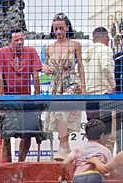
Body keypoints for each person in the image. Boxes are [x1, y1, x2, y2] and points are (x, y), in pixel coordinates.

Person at [0, 29, 43, 163]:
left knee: (29, 132)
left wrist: (37, 100)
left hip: (26, 99)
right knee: (5, 133)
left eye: (22, 40)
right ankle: (7, 165)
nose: (20, 42)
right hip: (8, 99)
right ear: (10, 42)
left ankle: (21, 162)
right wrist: (0, 102)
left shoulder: (31, 51)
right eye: (16, 40)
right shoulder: (2, 52)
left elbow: (36, 77)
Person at [43, 14, 85, 160]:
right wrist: (45, 68)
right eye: (56, 29)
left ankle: (63, 146)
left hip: (71, 83)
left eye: (61, 28)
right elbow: (46, 70)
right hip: (55, 85)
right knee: (58, 115)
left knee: (62, 112)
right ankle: (64, 146)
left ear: (67, 27)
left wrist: (84, 89)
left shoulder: (75, 45)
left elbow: (80, 67)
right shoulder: (48, 48)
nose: (59, 31)